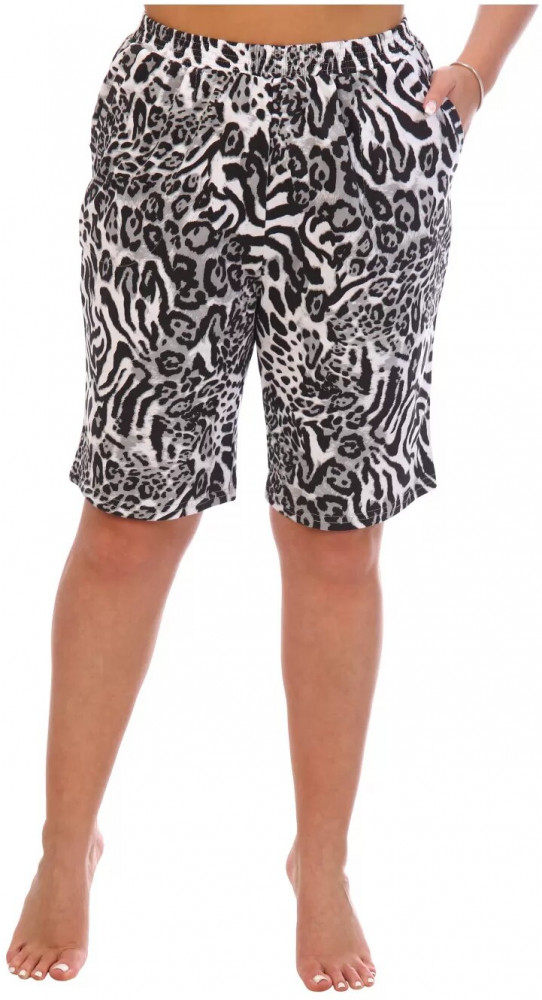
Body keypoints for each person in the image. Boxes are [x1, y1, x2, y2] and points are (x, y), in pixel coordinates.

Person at [6, 3, 537, 990]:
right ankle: (63, 842)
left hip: (365, 127)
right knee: (127, 515)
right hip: (172, 110)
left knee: (337, 532)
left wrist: (477, 71)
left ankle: (322, 862)